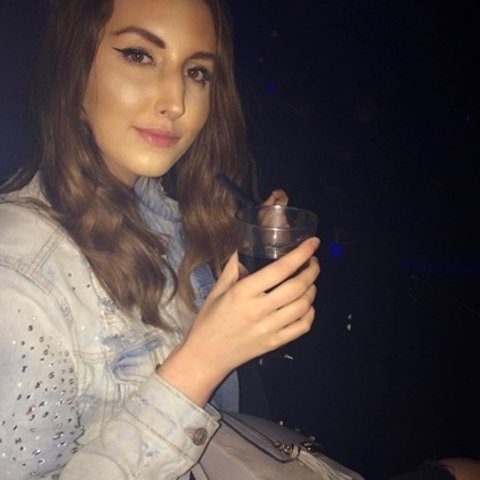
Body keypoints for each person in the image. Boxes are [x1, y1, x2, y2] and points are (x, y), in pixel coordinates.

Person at [0, 0, 320, 478]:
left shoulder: (154, 209)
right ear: (73, 65)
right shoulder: (17, 277)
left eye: (196, 72)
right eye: (139, 55)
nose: (177, 102)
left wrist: (246, 267)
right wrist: (201, 363)